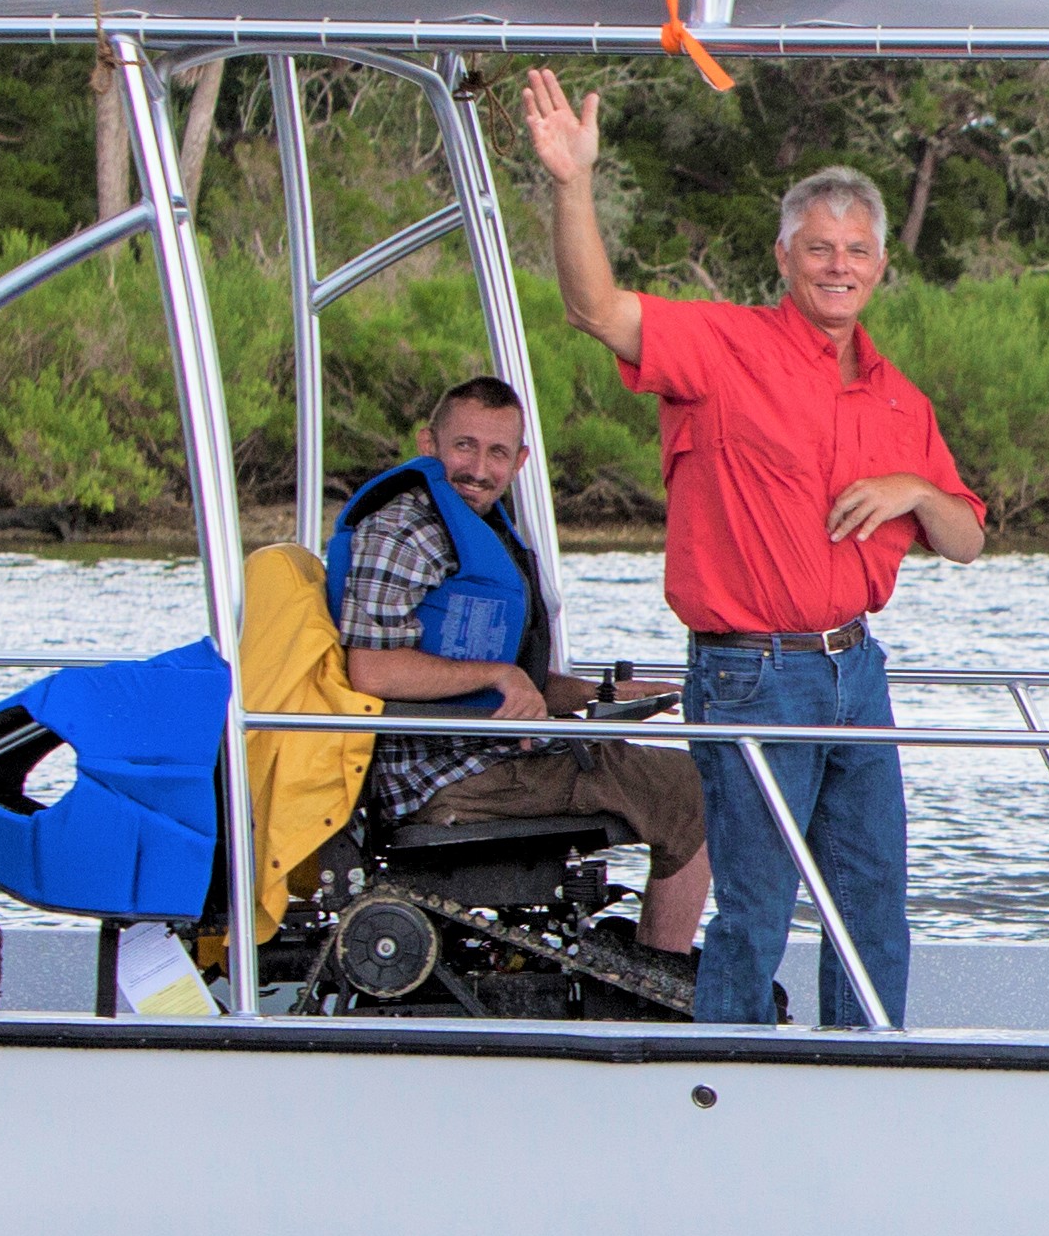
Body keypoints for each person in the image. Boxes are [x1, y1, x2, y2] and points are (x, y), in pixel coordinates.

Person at [516, 67, 985, 1029]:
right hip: (751, 673)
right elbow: (597, 310)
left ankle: (866, 1069)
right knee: (757, 909)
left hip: (857, 670)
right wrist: (572, 183)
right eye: (820, 248)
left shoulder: (901, 399)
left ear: (881, 266)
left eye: (857, 250)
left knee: (873, 905)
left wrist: (918, 490)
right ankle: (729, 1079)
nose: (839, 265)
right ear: (784, 257)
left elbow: (967, 538)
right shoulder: (723, 348)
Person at [326, 374, 713, 966]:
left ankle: (652, 963)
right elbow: (373, 670)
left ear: (520, 460)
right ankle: (662, 978)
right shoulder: (404, 529)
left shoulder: (476, 527)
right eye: (464, 446)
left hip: (485, 756)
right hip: (440, 776)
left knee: (667, 768)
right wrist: (498, 678)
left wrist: (598, 692)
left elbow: (515, 675)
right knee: (697, 792)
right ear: (428, 444)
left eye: (497, 452)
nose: (479, 468)